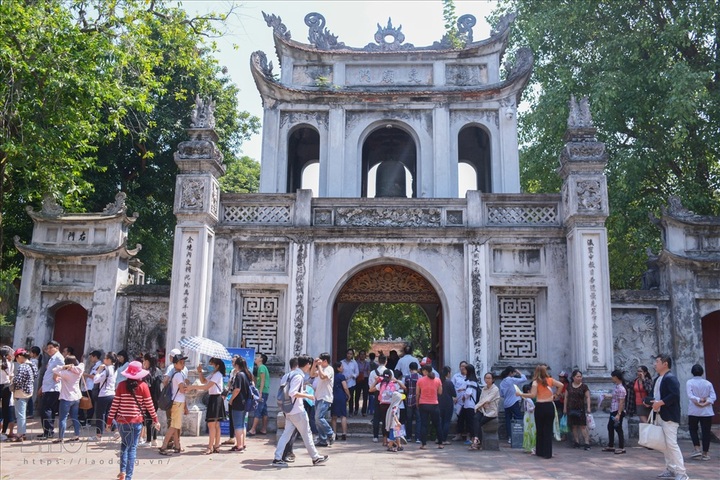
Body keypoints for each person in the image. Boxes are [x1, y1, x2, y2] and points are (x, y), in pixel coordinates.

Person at [105, 361, 160, 480]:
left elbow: (114, 405)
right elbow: (149, 405)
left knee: (124, 445)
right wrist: (155, 420)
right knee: (132, 448)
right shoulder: (143, 386)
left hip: (122, 421)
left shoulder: (121, 385)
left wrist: (109, 422)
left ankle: (122, 472)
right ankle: (128, 476)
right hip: (136, 421)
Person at [272, 355, 328, 467]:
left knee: (286, 434)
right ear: (307, 364)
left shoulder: (288, 375)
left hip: (289, 410)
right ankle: (315, 457)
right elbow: (293, 393)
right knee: (307, 434)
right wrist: (308, 396)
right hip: (297, 410)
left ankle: (277, 458)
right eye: (310, 365)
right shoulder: (298, 376)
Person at [647, 354, 687, 480]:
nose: (655, 364)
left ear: (665, 364)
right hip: (659, 414)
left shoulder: (671, 378)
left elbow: (674, 395)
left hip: (669, 415)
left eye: (657, 362)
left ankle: (682, 472)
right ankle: (670, 468)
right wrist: (647, 401)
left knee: (671, 444)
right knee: (664, 444)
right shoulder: (658, 379)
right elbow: (653, 395)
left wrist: (661, 402)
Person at [516, 364, 565, 459]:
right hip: (549, 406)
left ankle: (540, 451)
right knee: (548, 430)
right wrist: (556, 395)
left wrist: (521, 394)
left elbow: (533, 395)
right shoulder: (550, 380)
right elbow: (561, 385)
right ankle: (547, 453)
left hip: (540, 406)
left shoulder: (535, 383)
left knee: (540, 429)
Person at [186, 357, 226, 454]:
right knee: (215, 424)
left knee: (212, 424)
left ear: (217, 366)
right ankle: (216, 445)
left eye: (212, 364)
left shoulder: (218, 375)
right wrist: (200, 372)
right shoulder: (213, 374)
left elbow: (206, 387)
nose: (210, 366)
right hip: (213, 398)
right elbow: (204, 381)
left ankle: (211, 446)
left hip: (216, 399)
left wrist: (193, 387)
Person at [158, 354, 188, 455]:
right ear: (175, 364)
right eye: (180, 362)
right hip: (178, 402)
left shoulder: (178, 374)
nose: (182, 364)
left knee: (176, 425)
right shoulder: (178, 375)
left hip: (178, 402)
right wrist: (189, 387)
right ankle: (164, 446)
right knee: (174, 426)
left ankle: (177, 446)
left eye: (183, 362)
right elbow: (182, 389)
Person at [686, 363, 715, 462]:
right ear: (702, 372)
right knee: (706, 432)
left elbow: (690, 395)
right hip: (707, 411)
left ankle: (697, 448)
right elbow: (713, 397)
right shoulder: (708, 383)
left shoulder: (689, 382)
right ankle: (705, 453)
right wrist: (705, 402)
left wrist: (698, 401)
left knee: (693, 429)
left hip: (694, 410)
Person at [52, 355, 84, 443]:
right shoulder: (79, 371)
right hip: (76, 397)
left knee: (63, 418)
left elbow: (54, 370)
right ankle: (76, 435)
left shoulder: (66, 373)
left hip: (66, 398)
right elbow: (81, 364)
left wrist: (64, 367)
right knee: (75, 417)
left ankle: (61, 438)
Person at [10, 348, 38, 442]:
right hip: (29, 391)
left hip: (21, 392)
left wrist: (12, 380)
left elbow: (18, 381)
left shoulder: (22, 366)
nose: (17, 360)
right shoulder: (32, 364)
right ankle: (22, 433)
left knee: (20, 415)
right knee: (23, 413)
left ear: (20, 357)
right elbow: (35, 376)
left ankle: (20, 434)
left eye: (17, 358)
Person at [38, 340, 63, 439]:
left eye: (50, 348)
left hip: (53, 388)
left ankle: (48, 431)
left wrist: (56, 376)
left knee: (45, 410)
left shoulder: (58, 357)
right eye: (47, 348)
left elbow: (61, 367)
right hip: (48, 387)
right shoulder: (52, 358)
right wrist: (42, 387)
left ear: (57, 348)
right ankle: (48, 431)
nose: (48, 350)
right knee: (49, 410)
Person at [228, 356, 254, 452]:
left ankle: (239, 445)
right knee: (242, 424)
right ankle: (242, 443)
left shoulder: (239, 375)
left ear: (237, 365)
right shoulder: (247, 375)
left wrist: (231, 399)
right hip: (245, 402)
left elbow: (237, 389)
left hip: (238, 402)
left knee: (238, 425)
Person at [90, 351, 117, 442]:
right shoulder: (114, 369)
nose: (104, 360)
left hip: (104, 394)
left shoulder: (106, 370)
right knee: (108, 414)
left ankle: (98, 435)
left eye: (105, 358)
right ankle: (116, 430)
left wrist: (98, 371)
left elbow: (96, 380)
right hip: (111, 394)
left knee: (100, 415)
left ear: (109, 360)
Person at [469, 372, 500, 450]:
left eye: (489, 378)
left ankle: (477, 441)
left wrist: (477, 406)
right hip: (482, 409)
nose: (487, 380)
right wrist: (481, 405)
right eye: (486, 378)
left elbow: (487, 399)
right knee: (475, 418)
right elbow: (482, 400)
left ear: (493, 379)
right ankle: (476, 439)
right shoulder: (484, 389)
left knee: (480, 422)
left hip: (491, 411)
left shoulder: (495, 389)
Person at [371, 366, 400, 445]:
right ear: (391, 376)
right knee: (392, 422)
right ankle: (391, 439)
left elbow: (370, 389)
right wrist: (397, 381)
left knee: (384, 422)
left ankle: (384, 440)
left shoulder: (380, 384)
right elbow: (403, 388)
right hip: (391, 405)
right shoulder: (394, 384)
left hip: (382, 405)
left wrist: (375, 381)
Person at [416, 364, 443, 449]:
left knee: (424, 424)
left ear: (425, 371)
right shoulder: (437, 380)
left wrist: (417, 403)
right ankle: (440, 443)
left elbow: (417, 393)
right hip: (434, 404)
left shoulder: (420, 380)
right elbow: (440, 392)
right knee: (437, 424)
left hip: (423, 404)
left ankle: (423, 444)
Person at [563, 369, 591, 450]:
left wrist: (588, 407)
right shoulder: (569, 386)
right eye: (577, 376)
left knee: (583, 426)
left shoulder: (584, 386)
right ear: (573, 377)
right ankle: (576, 442)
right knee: (574, 426)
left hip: (580, 409)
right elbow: (566, 397)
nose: (579, 378)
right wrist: (565, 408)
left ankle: (586, 442)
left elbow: (588, 397)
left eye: (580, 376)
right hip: (571, 408)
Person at [499, 366, 527, 445]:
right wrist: (519, 372)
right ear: (510, 373)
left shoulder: (502, 382)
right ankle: (520, 436)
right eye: (513, 372)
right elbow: (524, 379)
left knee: (508, 420)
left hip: (506, 404)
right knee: (518, 418)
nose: (514, 374)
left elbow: (501, 394)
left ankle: (510, 437)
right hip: (514, 402)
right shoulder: (511, 380)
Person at [311, 352, 334, 446]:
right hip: (318, 396)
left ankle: (330, 433)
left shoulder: (329, 369)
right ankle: (322, 439)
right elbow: (312, 374)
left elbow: (323, 376)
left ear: (325, 361)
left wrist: (319, 366)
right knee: (318, 419)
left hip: (326, 397)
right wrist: (314, 364)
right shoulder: (321, 368)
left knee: (318, 417)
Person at [602, 370, 627, 454]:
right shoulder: (617, 387)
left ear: (616, 377)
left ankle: (621, 447)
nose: (612, 378)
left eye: (612, 377)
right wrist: (608, 396)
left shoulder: (621, 388)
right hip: (613, 409)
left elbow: (621, 402)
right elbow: (615, 397)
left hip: (617, 411)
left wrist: (619, 414)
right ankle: (611, 445)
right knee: (610, 427)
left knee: (618, 428)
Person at [142, 353, 163, 447]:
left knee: (149, 419)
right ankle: (154, 439)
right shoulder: (159, 371)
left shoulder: (147, 373)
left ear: (147, 361)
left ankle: (148, 440)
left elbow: (146, 387)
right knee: (154, 417)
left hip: (149, 398)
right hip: (157, 398)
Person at [248, 352, 270, 436]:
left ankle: (253, 429)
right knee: (264, 410)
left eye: (258, 357)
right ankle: (264, 429)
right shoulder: (261, 368)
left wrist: (259, 393)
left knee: (258, 409)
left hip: (262, 391)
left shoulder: (261, 367)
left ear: (261, 359)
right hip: (264, 391)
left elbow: (263, 380)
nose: (256, 358)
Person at [460, 363, 480, 445]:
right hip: (471, 404)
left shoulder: (470, 382)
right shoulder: (474, 381)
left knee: (470, 423)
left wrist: (463, 396)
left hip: (469, 404)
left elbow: (468, 393)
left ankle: (473, 439)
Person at [331, 361, 350, 441]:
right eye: (341, 366)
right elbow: (345, 387)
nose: (343, 368)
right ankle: (344, 433)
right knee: (343, 415)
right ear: (338, 368)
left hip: (333, 396)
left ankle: (334, 433)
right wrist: (349, 395)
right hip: (341, 396)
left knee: (334, 416)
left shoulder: (332, 376)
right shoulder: (341, 376)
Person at [403, 361, 422, 443]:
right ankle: (418, 438)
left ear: (410, 369)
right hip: (419, 400)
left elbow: (405, 389)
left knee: (409, 419)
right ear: (417, 368)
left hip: (409, 400)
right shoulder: (421, 377)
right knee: (418, 419)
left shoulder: (407, 377)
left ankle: (409, 437)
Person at [438, 366, 456, 445]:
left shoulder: (439, 382)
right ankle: (444, 439)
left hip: (439, 403)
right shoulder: (449, 382)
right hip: (448, 403)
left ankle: (439, 438)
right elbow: (454, 393)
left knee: (441, 421)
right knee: (446, 421)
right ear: (448, 373)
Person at [451, 360, 468, 441]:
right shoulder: (456, 376)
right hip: (458, 401)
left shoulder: (469, 377)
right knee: (459, 418)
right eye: (461, 366)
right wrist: (453, 397)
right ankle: (459, 434)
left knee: (468, 419)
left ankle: (468, 435)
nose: (463, 368)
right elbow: (451, 387)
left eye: (464, 366)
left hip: (468, 402)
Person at [0, 346, 14, 440]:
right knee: (5, 409)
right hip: (6, 387)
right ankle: (4, 432)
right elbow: (11, 377)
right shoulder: (10, 364)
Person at [341, 349, 358, 416]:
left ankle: (350, 412)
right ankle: (343, 412)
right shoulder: (342, 362)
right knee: (343, 398)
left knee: (350, 398)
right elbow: (339, 371)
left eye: (351, 354)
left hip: (352, 383)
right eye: (348, 353)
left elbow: (357, 372)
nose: (349, 355)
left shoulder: (354, 363)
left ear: (352, 355)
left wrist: (352, 376)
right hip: (343, 382)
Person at [354, 350, 370, 416]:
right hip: (358, 379)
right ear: (359, 355)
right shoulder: (356, 363)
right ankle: (356, 409)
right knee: (357, 395)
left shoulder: (367, 363)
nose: (362, 356)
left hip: (365, 379)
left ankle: (364, 411)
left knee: (365, 396)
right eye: (361, 354)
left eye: (363, 354)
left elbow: (368, 371)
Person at [521, 384, 536, 453]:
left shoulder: (525, 399)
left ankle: (529, 446)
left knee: (529, 430)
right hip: (529, 416)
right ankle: (530, 447)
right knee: (530, 430)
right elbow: (528, 409)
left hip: (529, 415)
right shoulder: (528, 399)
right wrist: (535, 407)